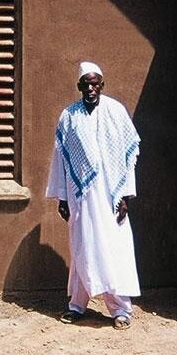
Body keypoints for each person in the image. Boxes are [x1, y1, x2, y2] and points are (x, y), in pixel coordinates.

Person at [46, 61, 141, 330]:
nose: (90, 88)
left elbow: (129, 155)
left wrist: (125, 196)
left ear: (102, 84)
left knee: (114, 249)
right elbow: (60, 160)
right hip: (81, 197)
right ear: (79, 86)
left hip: (111, 196)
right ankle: (77, 305)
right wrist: (62, 197)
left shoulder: (116, 111)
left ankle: (121, 310)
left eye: (95, 83)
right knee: (83, 249)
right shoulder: (69, 116)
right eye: (85, 84)